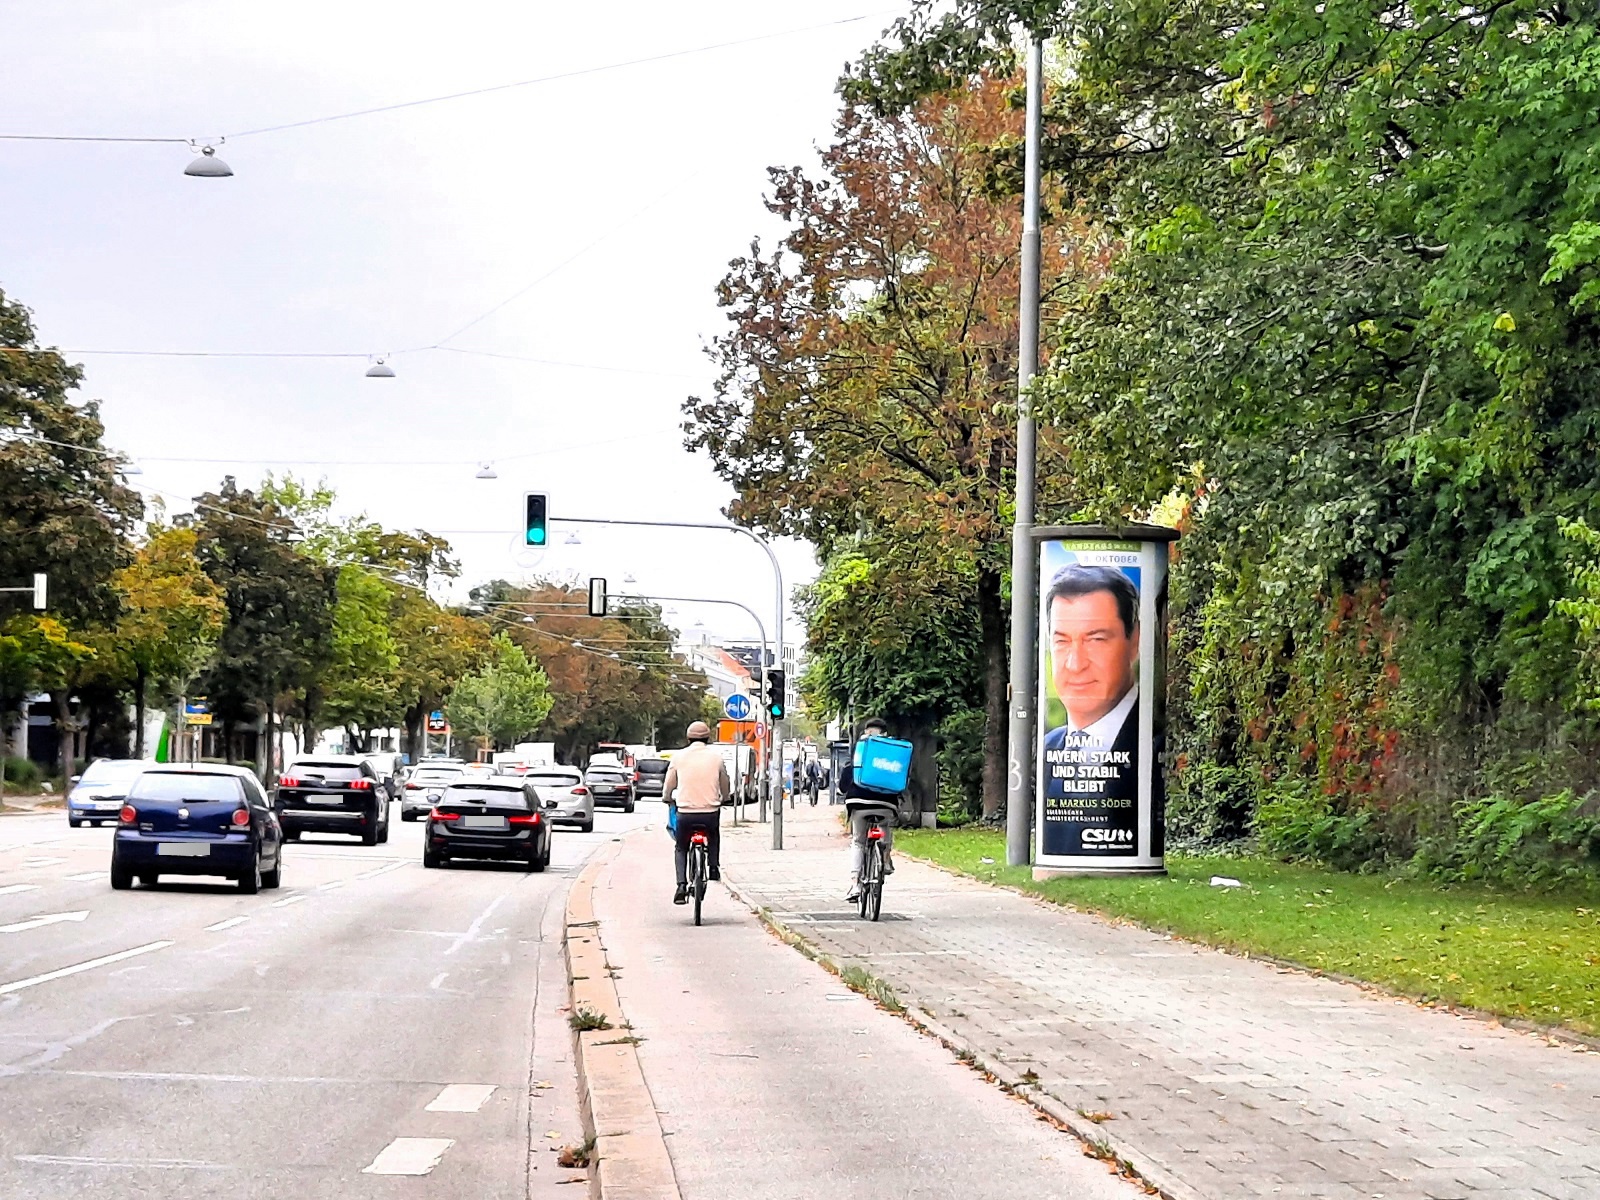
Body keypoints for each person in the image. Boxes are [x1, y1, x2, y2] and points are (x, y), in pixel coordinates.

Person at [1042, 564, 1139, 759]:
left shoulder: (1159, 745)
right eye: (1062, 641)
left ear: (1135, 640)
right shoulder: (1046, 748)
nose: (1075, 665)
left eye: (1096, 640)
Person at [661, 720, 730, 904]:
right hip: (710, 813)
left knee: (681, 847)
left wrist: (667, 797)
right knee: (713, 836)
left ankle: (681, 885)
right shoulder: (716, 758)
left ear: (688, 738)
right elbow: (724, 782)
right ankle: (713, 867)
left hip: (685, 813)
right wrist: (725, 797)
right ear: (708, 738)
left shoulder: (679, 757)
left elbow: (669, 784)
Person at [834, 716, 900, 902]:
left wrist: (843, 789)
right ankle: (885, 859)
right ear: (885, 733)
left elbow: (847, 775)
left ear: (866, 731)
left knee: (858, 841)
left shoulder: (861, 748)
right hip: (886, 803)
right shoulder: (892, 750)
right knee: (885, 828)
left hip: (859, 802)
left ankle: (855, 884)